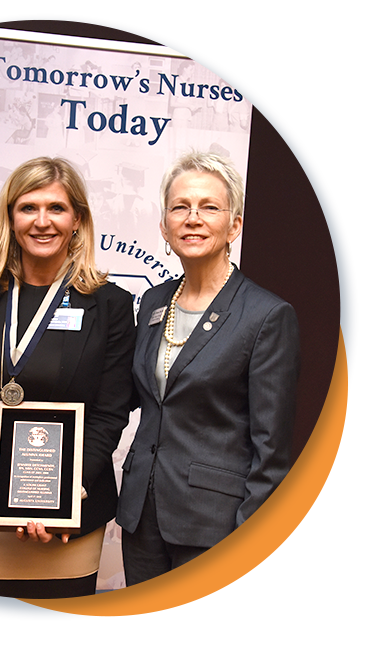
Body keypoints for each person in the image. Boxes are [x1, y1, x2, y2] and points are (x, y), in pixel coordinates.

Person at [0, 157, 136, 598]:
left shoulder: (110, 305)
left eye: (56, 208)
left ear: (78, 220)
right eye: (28, 207)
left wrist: (61, 498)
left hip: (67, 501)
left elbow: (110, 414)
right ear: (10, 217)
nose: (42, 221)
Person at [116, 151, 300, 585]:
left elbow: (272, 453)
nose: (193, 218)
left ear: (234, 224)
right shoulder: (154, 302)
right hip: (141, 518)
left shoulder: (266, 315)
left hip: (215, 526)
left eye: (209, 207)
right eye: (180, 207)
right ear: (164, 226)